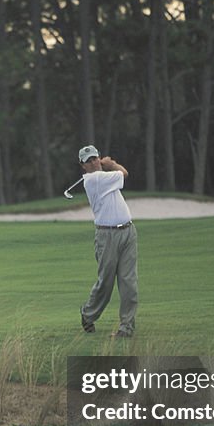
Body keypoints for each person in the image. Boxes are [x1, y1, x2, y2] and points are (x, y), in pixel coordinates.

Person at [77, 145, 138, 338]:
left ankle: (126, 326)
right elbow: (124, 173)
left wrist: (108, 166)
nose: (93, 163)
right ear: (83, 166)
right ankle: (88, 313)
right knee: (106, 282)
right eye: (89, 161)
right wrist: (112, 164)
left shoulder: (103, 177)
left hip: (128, 231)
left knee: (129, 282)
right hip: (106, 236)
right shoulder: (93, 180)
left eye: (95, 158)